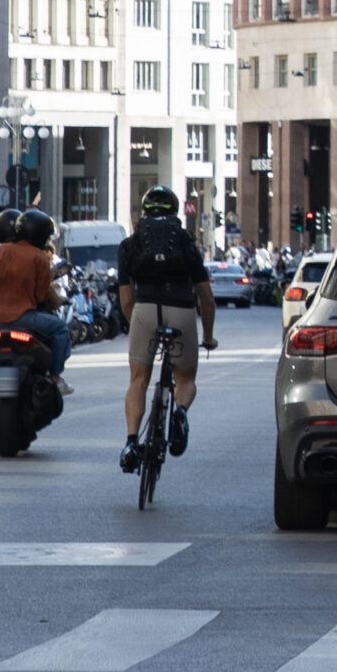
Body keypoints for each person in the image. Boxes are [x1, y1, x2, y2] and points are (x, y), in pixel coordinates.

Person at [119, 184, 215, 470]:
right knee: (185, 380)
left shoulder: (130, 244)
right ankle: (181, 412)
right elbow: (206, 298)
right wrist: (208, 337)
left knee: (138, 379)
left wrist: (136, 327)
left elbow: (126, 299)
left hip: (145, 311)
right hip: (182, 311)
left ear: (143, 213)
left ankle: (132, 442)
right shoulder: (186, 241)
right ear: (175, 213)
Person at [0, 207, 72, 394]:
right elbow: (41, 297)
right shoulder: (39, 257)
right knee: (60, 330)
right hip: (25, 319)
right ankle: (55, 377)